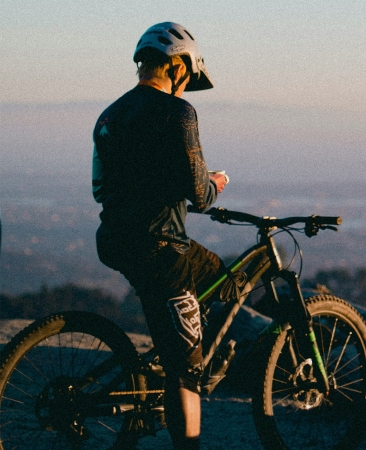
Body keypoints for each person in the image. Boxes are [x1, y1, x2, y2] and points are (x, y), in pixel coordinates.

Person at [91, 22, 227, 450]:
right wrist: (215, 182)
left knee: (215, 272)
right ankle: (185, 370)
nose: (187, 87)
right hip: (161, 246)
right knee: (186, 373)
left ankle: (179, 338)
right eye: (188, 76)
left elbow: (101, 187)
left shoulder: (110, 115)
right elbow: (201, 197)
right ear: (180, 67)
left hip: (114, 239)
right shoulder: (178, 112)